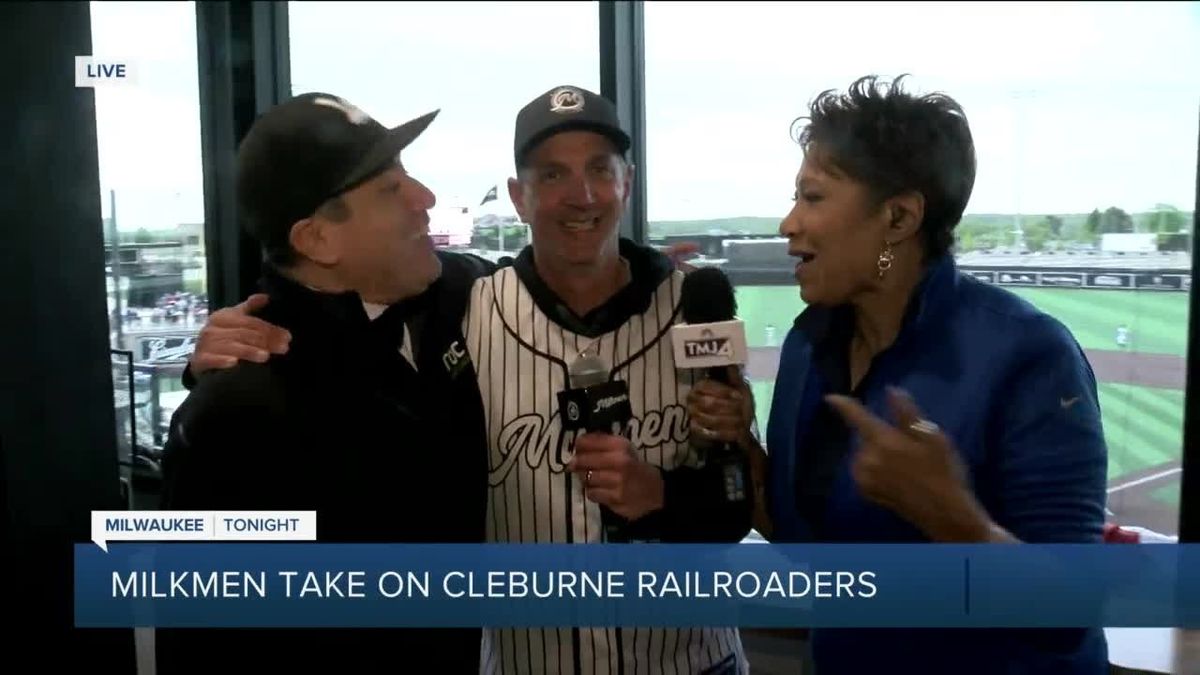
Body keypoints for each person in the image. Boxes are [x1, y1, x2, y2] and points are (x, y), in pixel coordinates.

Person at [187, 85, 751, 674]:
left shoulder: (689, 309)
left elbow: (737, 495)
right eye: (553, 175)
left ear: (626, 181)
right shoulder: (448, 311)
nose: (581, 196)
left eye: (600, 171)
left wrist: (664, 494)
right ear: (519, 198)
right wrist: (219, 372)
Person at [687, 75, 1109, 674]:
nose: (788, 223)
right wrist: (742, 452)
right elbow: (805, 548)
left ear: (899, 218)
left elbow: (1070, 610)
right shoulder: (811, 344)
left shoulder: (1030, 355)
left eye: (813, 197)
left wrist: (952, 518)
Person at [155, 92, 489, 674]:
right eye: (390, 189)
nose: (427, 200)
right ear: (317, 240)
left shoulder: (459, 296)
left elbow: (570, 281)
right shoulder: (241, 412)